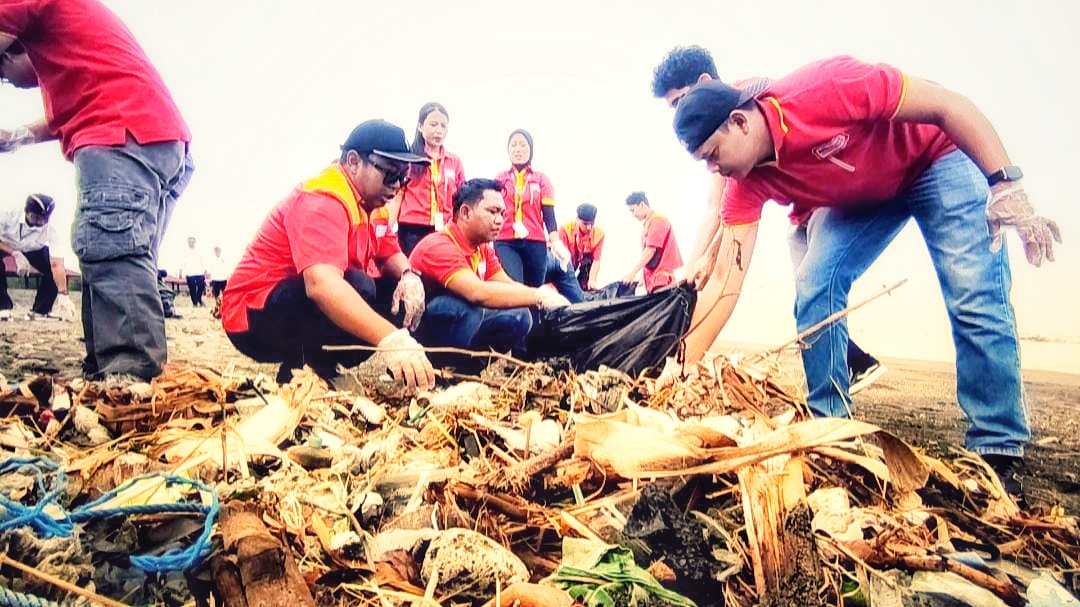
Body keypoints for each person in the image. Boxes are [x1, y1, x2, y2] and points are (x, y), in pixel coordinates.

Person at [672, 55, 1061, 487]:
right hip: (867, 196)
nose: (713, 169)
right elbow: (727, 279)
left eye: (713, 155)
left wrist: (1004, 183)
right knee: (815, 283)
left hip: (935, 158)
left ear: (740, 123)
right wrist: (682, 365)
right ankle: (833, 432)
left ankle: (997, 449)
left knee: (973, 292)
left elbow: (950, 106)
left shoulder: (827, 87)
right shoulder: (745, 183)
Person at [651, 45, 886, 393]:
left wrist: (693, 266)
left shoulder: (728, 118)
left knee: (816, 283)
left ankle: (836, 393)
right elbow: (731, 213)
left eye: (679, 102)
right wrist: (706, 258)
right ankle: (855, 361)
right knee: (812, 294)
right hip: (804, 211)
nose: (679, 114)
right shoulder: (721, 126)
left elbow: (717, 208)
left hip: (834, 198)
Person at [0, 2, 193, 381]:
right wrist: (19, 136)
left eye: (3, 69)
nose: (8, 80)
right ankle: (107, 368)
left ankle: (131, 379)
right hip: (159, 141)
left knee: (111, 253)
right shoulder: (75, 50)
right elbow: (67, 114)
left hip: (121, 138)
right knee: (111, 258)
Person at [221, 120, 435, 389]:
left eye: (403, 179)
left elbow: (388, 248)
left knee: (396, 293)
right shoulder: (323, 199)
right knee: (359, 285)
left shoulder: (374, 203)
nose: (396, 187)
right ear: (354, 161)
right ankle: (304, 371)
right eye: (390, 174)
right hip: (253, 315)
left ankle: (323, 366)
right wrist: (391, 340)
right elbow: (321, 285)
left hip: (291, 303)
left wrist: (407, 276)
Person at [410, 178, 569, 354]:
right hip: (419, 331)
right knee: (467, 308)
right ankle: (441, 367)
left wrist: (544, 297)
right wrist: (539, 296)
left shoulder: (482, 248)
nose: (500, 220)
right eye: (493, 212)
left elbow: (506, 285)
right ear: (465, 213)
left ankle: (471, 367)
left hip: (453, 320)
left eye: (502, 213)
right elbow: (478, 293)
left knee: (520, 315)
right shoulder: (439, 245)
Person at [396, 102, 466, 256]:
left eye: (443, 126)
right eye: (433, 125)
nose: (438, 131)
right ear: (421, 126)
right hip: (412, 229)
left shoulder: (454, 162)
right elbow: (397, 195)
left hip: (445, 228)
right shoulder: (409, 159)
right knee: (415, 274)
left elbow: (461, 199)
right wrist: (387, 227)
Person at [494, 129, 559, 287]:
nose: (518, 149)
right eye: (514, 145)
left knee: (534, 293)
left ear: (531, 150)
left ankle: (534, 313)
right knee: (515, 287)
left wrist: (556, 242)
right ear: (508, 150)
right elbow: (492, 211)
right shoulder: (500, 179)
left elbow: (549, 215)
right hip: (505, 241)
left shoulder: (541, 179)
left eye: (523, 145)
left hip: (535, 242)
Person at [0, 194, 76, 321]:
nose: (40, 222)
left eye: (44, 219)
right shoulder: (7, 212)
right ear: (27, 212)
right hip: (5, 244)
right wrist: (15, 253)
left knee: (51, 267)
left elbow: (56, 263)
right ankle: (2, 307)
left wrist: (63, 294)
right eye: (36, 217)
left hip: (33, 248)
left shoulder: (54, 226)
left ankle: (40, 311)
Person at [621, 192, 683, 293]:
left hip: (661, 280)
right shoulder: (649, 223)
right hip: (654, 281)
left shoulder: (657, 220)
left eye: (633, 210)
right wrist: (642, 275)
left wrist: (632, 274)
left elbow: (650, 251)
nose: (633, 215)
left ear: (641, 205)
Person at [557, 203, 605, 291]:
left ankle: (586, 287)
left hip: (583, 266)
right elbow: (560, 259)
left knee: (588, 260)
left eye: (592, 223)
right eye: (585, 224)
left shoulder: (599, 234)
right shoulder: (565, 230)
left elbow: (596, 260)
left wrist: (592, 280)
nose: (589, 227)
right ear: (577, 220)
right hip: (564, 265)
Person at [180, 237, 207, 307]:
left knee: (201, 286)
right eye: (190, 242)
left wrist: (205, 271)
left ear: (195, 242)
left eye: (192, 242)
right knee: (192, 289)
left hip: (199, 272)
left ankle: (199, 299)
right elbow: (182, 263)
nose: (191, 243)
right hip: (190, 273)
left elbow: (203, 261)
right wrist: (182, 273)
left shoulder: (199, 251)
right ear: (188, 243)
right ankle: (194, 303)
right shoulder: (185, 252)